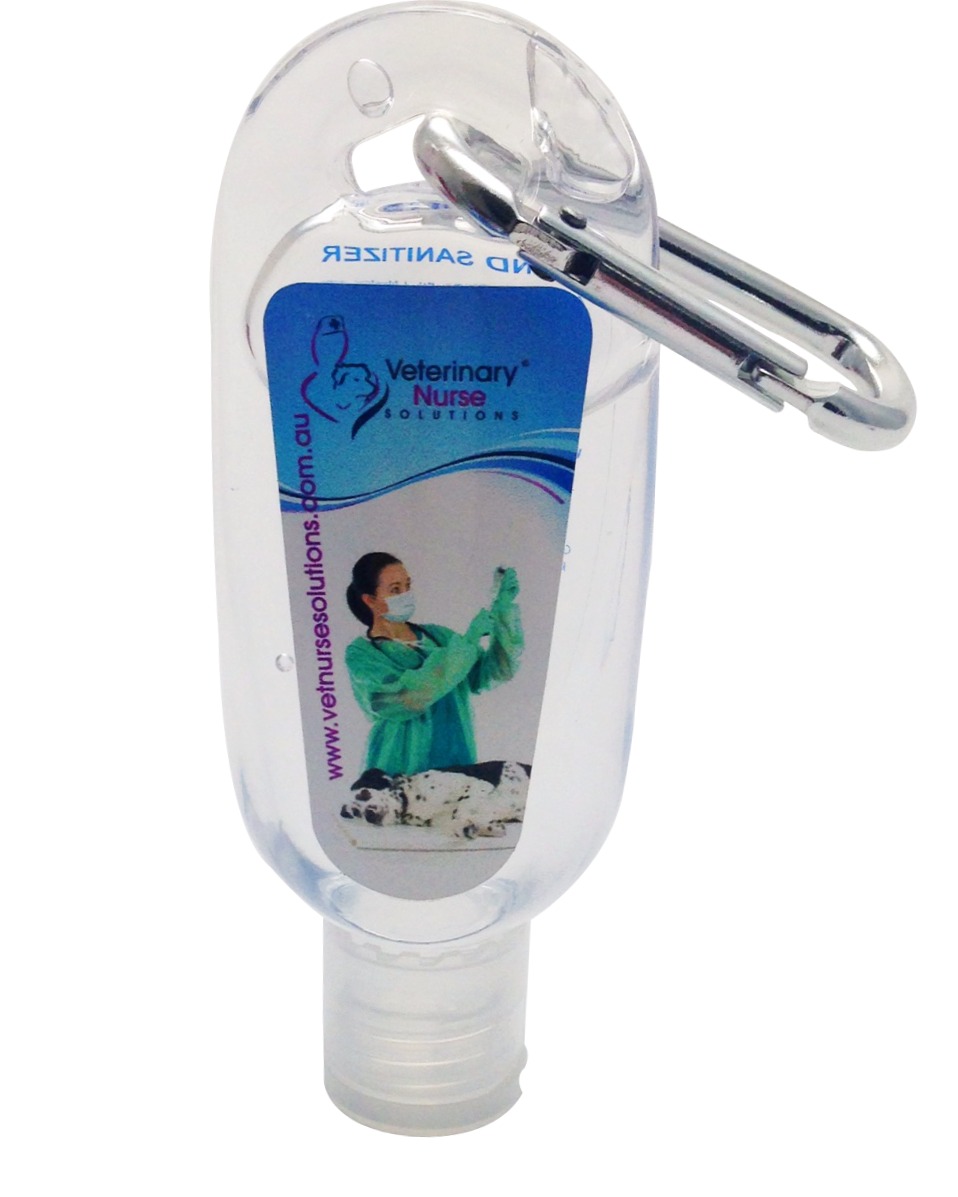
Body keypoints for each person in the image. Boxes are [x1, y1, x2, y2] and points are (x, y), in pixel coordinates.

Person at [344, 553, 523, 777]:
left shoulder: (438, 637)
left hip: (456, 762)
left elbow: (494, 672)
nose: (405, 595)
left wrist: (503, 609)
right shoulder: (363, 653)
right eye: (395, 590)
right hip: (399, 771)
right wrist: (468, 642)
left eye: (408, 586)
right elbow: (404, 698)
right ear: (370, 600)